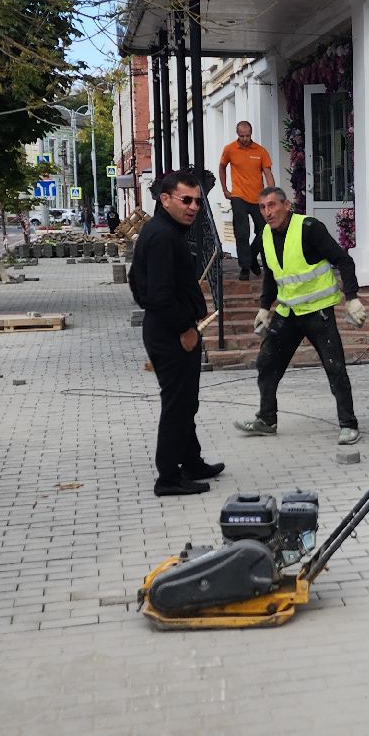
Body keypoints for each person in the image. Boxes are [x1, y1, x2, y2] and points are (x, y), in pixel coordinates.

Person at [234, 187, 369, 446]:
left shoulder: (309, 228)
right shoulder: (265, 235)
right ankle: (266, 420)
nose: (267, 212)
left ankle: (348, 424)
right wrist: (264, 307)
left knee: (334, 367)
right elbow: (273, 275)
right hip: (288, 312)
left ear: (286, 205)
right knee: (266, 362)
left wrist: (351, 298)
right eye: (262, 207)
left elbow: (344, 260)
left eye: (272, 205)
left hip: (318, 312)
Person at [128, 170, 225, 497]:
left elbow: (134, 280)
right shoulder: (162, 236)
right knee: (177, 405)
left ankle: (191, 461)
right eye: (186, 200)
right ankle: (168, 477)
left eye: (197, 200)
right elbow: (158, 294)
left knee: (186, 402)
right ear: (164, 199)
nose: (194, 206)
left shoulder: (164, 231)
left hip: (168, 327)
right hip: (171, 333)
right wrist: (184, 328)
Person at [217, 120, 274, 281]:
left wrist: (271, 194)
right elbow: (221, 167)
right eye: (242, 136)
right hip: (238, 196)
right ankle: (244, 267)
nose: (245, 139)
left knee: (265, 230)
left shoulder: (260, 151)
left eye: (247, 136)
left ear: (251, 134)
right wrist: (225, 189)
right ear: (237, 135)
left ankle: (251, 258)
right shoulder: (230, 149)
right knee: (242, 232)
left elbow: (268, 173)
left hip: (258, 198)